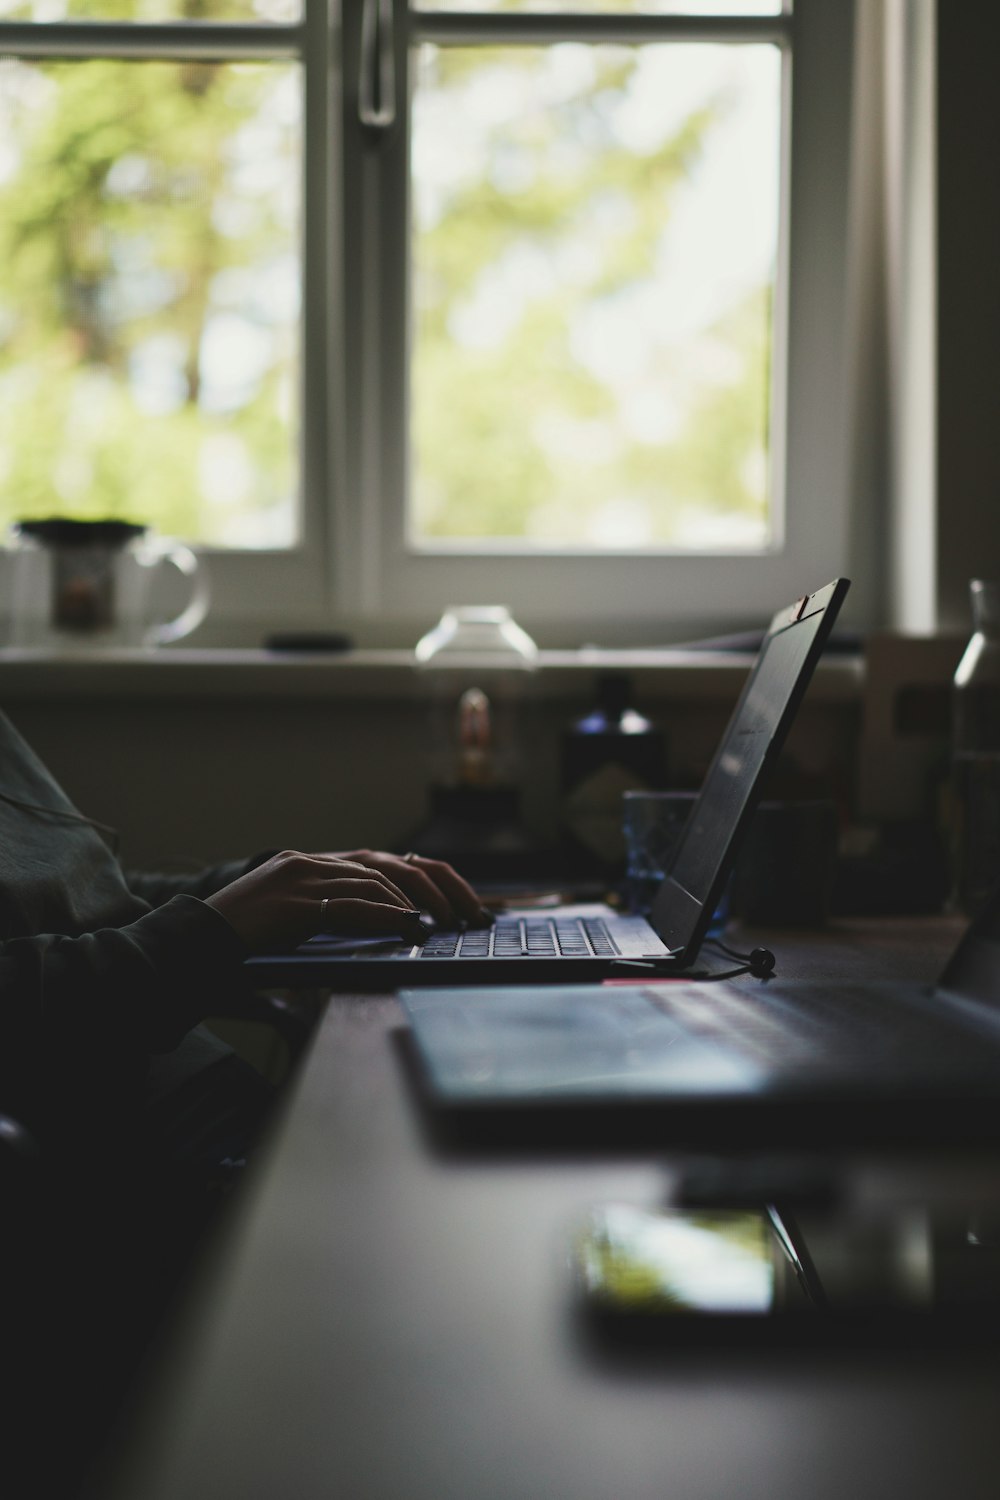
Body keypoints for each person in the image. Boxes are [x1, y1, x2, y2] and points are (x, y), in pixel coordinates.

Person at [0, 703, 490, 1495]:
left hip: (197, 1117)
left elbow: (93, 907)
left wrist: (282, 888)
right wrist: (209, 935)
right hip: (107, 1175)